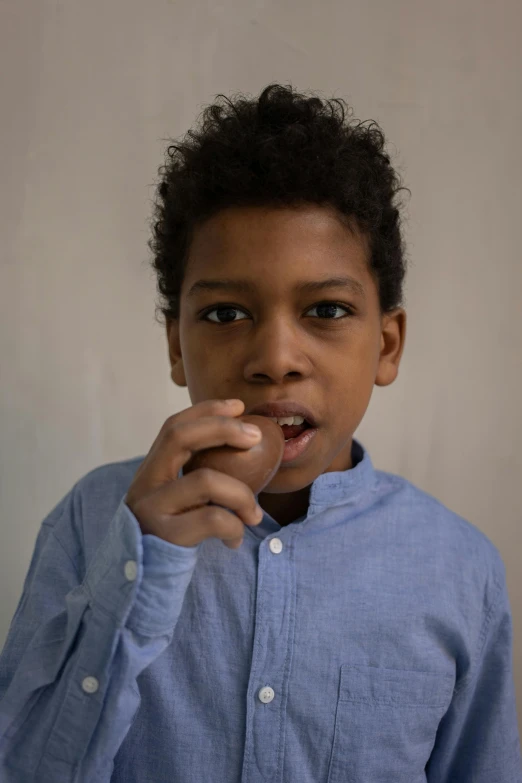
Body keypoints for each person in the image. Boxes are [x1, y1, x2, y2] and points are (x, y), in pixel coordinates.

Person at [0, 83, 520, 783]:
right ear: (177, 346)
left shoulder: (460, 569)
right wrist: (139, 570)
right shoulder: (94, 523)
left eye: (327, 308)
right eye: (223, 314)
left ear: (388, 345)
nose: (275, 359)